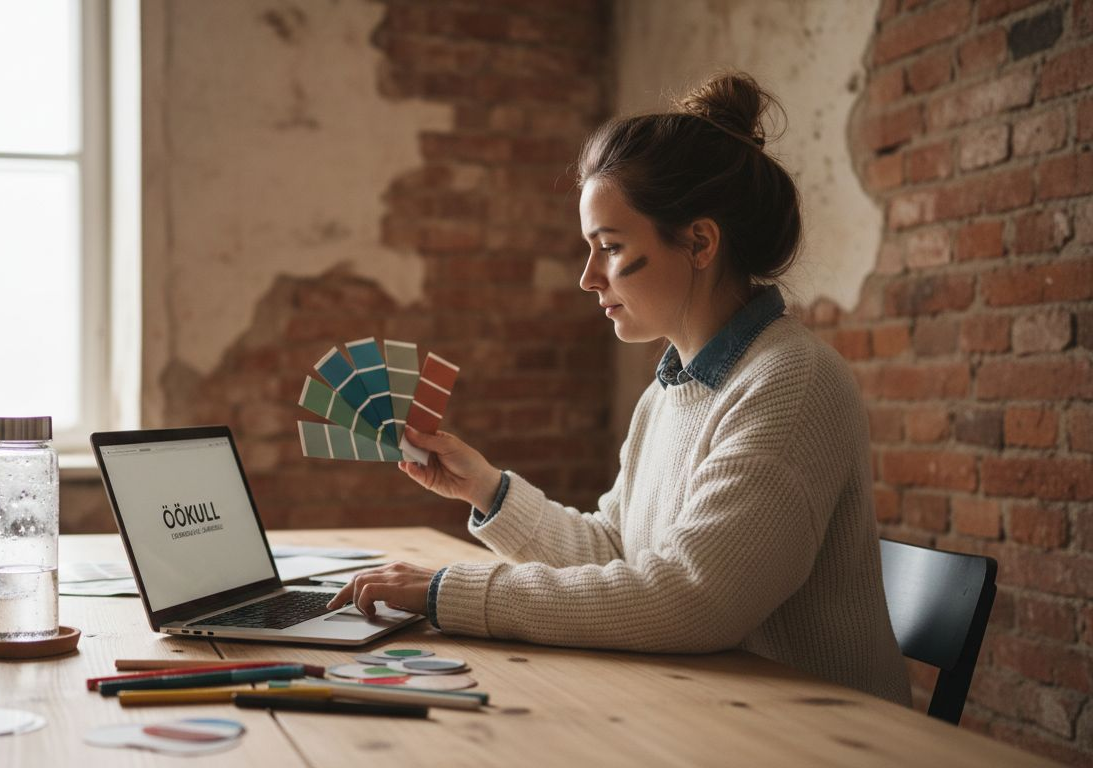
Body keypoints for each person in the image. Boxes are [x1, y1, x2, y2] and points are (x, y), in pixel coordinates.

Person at [326, 71, 911, 705]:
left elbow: (693, 599)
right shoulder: (670, 390)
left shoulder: (793, 382)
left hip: (813, 732)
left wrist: (449, 592)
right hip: (705, 710)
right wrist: (487, 489)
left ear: (700, 242)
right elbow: (617, 551)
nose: (587, 277)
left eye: (608, 246)